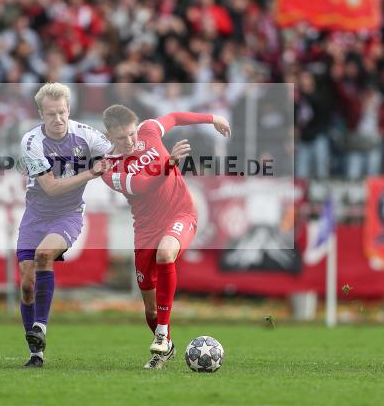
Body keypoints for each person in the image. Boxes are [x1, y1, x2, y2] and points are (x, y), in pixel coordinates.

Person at [99, 105, 230, 368]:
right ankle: (165, 348)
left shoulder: (149, 130)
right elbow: (143, 185)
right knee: (149, 306)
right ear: (109, 136)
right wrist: (169, 163)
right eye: (122, 137)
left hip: (181, 214)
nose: (130, 141)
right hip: (146, 231)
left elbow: (175, 117)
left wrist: (213, 118)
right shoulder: (108, 169)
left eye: (132, 133)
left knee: (166, 253)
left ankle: (161, 333)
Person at [15, 83, 111, 368]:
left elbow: (115, 152)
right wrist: (91, 173)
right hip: (35, 214)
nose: (58, 119)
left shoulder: (86, 135)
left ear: (69, 110)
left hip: (67, 214)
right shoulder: (31, 142)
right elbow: (51, 188)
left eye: (62, 113)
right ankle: (36, 353)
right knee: (26, 285)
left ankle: (40, 328)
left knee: (45, 255)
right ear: (41, 115)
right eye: (51, 114)